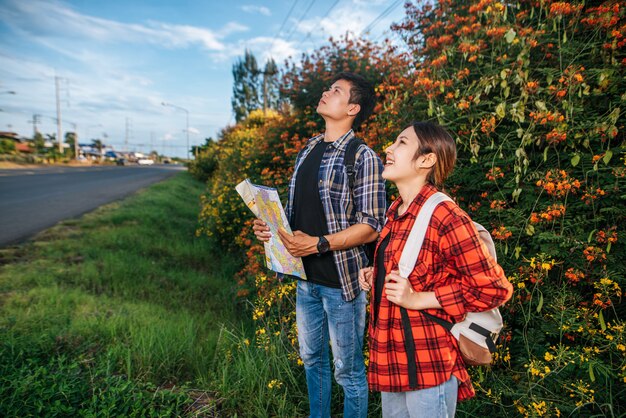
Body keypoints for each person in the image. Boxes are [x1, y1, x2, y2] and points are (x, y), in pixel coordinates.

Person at [252, 72, 386, 418]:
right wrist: (271, 230)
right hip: (304, 278)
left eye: (336, 91)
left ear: (352, 107)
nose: (326, 92)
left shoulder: (363, 157)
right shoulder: (308, 149)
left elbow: (372, 225)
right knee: (312, 359)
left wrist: (320, 244)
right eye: (328, 88)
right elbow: (299, 217)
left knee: (349, 370)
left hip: (342, 283)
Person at [358, 121, 513, 418]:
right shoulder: (395, 211)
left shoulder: (445, 214)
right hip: (392, 355)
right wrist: (375, 275)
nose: (388, 148)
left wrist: (418, 299)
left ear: (427, 160)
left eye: (401, 143)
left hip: (428, 359)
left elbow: (493, 288)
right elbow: (413, 270)